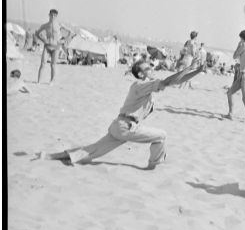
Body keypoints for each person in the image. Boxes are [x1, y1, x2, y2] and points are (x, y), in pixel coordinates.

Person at [37, 59, 206, 169]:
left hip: (120, 126)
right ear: (140, 73)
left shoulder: (145, 85)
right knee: (161, 136)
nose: (152, 69)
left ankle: (50, 156)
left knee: (91, 151)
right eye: (148, 68)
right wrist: (189, 68)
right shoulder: (141, 84)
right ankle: (154, 166)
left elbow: (174, 82)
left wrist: (197, 71)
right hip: (127, 127)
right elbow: (169, 81)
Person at [35, 9, 74, 84]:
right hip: (47, 46)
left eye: (55, 15)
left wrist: (64, 40)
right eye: (51, 15)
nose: (53, 17)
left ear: (56, 16)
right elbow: (37, 33)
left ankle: (52, 81)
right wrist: (43, 40)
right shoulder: (45, 25)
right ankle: (39, 81)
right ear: (49, 15)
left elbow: (71, 32)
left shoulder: (59, 25)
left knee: (53, 65)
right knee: (42, 63)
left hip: (56, 47)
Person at [225, 30, 245, 122]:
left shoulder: (243, 45)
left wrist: (238, 45)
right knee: (230, 93)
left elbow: (234, 56)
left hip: (244, 76)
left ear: (241, 38)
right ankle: (230, 114)